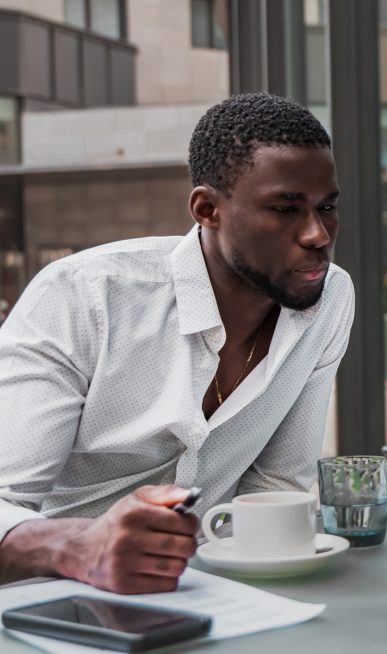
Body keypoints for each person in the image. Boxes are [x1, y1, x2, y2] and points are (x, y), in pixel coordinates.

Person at [0, 93, 354, 594]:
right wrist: (77, 547)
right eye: (285, 209)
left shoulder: (329, 298)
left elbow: (276, 487)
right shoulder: (82, 297)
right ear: (207, 209)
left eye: (327, 207)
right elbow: (5, 498)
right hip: (48, 600)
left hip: (215, 593)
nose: (317, 234)